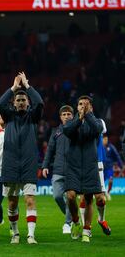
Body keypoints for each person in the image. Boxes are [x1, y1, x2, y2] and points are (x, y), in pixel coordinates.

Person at [0, 72, 44, 244]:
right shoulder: (8, 116)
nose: (21, 102)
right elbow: (0, 103)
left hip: (28, 164)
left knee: (30, 199)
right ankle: (16, 233)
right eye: (18, 100)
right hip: (10, 165)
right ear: (14, 103)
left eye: (24, 100)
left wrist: (27, 85)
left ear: (27, 102)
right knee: (12, 202)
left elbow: (39, 102)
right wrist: (13, 88)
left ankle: (31, 235)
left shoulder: (33, 117)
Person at [63, 95, 106, 242]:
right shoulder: (72, 121)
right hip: (73, 166)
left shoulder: (96, 122)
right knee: (70, 196)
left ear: (91, 107)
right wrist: (79, 118)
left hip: (89, 165)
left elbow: (98, 129)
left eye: (86, 104)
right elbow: (67, 131)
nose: (83, 106)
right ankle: (76, 222)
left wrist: (87, 115)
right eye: (80, 104)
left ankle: (87, 230)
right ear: (77, 107)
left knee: (88, 199)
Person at [42, 105, 74, 234]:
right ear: (60, 117)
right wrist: (44, 166)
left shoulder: (77, 130)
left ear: (73, 116)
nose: (66, 116)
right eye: (64, 114)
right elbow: (50, 149)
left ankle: (67, 223)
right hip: (58, 169)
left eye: (68, 114)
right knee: (57, 197)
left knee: (71, 197)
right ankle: (72, 215)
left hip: (73, 170)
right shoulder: (56, 132)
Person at [102, 133, 123, 200]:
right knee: (102, 181)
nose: (106, 140)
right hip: (101, 167)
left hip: (109, 167)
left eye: (106, 139)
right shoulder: (99, 147)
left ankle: (108, 192)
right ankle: (102, 193)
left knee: (111, 179)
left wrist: (121, 165)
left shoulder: (111, 147)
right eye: (104, 139)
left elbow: (117, 155)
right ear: (102, 140)